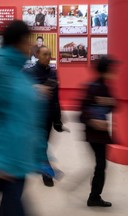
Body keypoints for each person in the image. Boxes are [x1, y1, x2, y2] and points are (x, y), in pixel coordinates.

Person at [0, 20, 46, 216]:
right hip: (5, 165)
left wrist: (41, 155)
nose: (31, 46)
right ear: (19, 42)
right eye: (28, 40)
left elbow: (28, 120)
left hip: (17, 163)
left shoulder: (20, 74)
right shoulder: (3, 71)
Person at [23, 46, 67, 187]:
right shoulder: (28, 72)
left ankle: (40, 166)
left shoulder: (53, 73)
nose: (48, 57)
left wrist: (58, 119)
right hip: (34, 117)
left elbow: (56, 98)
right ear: (37, 55)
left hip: (49, 115)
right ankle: (46, 173)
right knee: (41, 145)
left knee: (44, 144)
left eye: (49, 54)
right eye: (45, 54)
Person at [80, 55, 117, 207]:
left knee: (100, 165)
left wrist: (110, 102)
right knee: (100, 166)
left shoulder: (104, 86)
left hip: (100, 134)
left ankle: (94, 195)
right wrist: (94, 121)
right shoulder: (94, 86)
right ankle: (94, 197)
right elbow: (82, 113)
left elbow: (113, 106)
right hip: (94, 135)